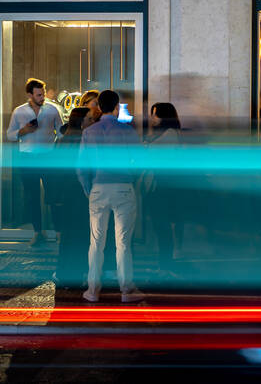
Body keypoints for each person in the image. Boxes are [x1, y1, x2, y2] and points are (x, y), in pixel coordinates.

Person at [77, 89, 144, 303]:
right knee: (123, 242)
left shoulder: (89, 132)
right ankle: (126, 289)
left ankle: (93, 289)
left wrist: (89, 188)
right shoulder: (127, 131)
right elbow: (140, 160)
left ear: (99, 107)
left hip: (98, 189)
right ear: (116, 107)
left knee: (96, 241)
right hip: (124, 188)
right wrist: (132, 178)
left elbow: (81, 166)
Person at [6, 78, 63, 246]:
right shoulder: (19, 112)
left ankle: (59, 233)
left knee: (54, 195)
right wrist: (24, 131)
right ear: (30, 94)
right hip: (27, 158)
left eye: (43, 94)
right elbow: (10, 135)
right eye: (38, 94)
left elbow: (60, 133)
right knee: (32, 196)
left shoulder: (52, 110)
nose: (42, 97)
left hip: (48, 157)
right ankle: (38, 232)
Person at [49, 107, 91, 289]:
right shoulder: (82, 140)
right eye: (89, 118)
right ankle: (77, 274)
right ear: (81, 122)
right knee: (81, 234)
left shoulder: (63, 140)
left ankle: (65, 273)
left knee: (68, 235)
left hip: (65, 194)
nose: (91, 121)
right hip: (79, 192)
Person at [145, 103, 183, 273]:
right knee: (163, 227)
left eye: (155, 115)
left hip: (163, 188)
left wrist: (146, 144)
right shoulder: (168, 134)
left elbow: (150, 151)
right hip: (163, 186)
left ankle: (165, 265)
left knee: (162, 227)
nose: (152, 118)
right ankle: (164, 264)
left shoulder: (170, 134)